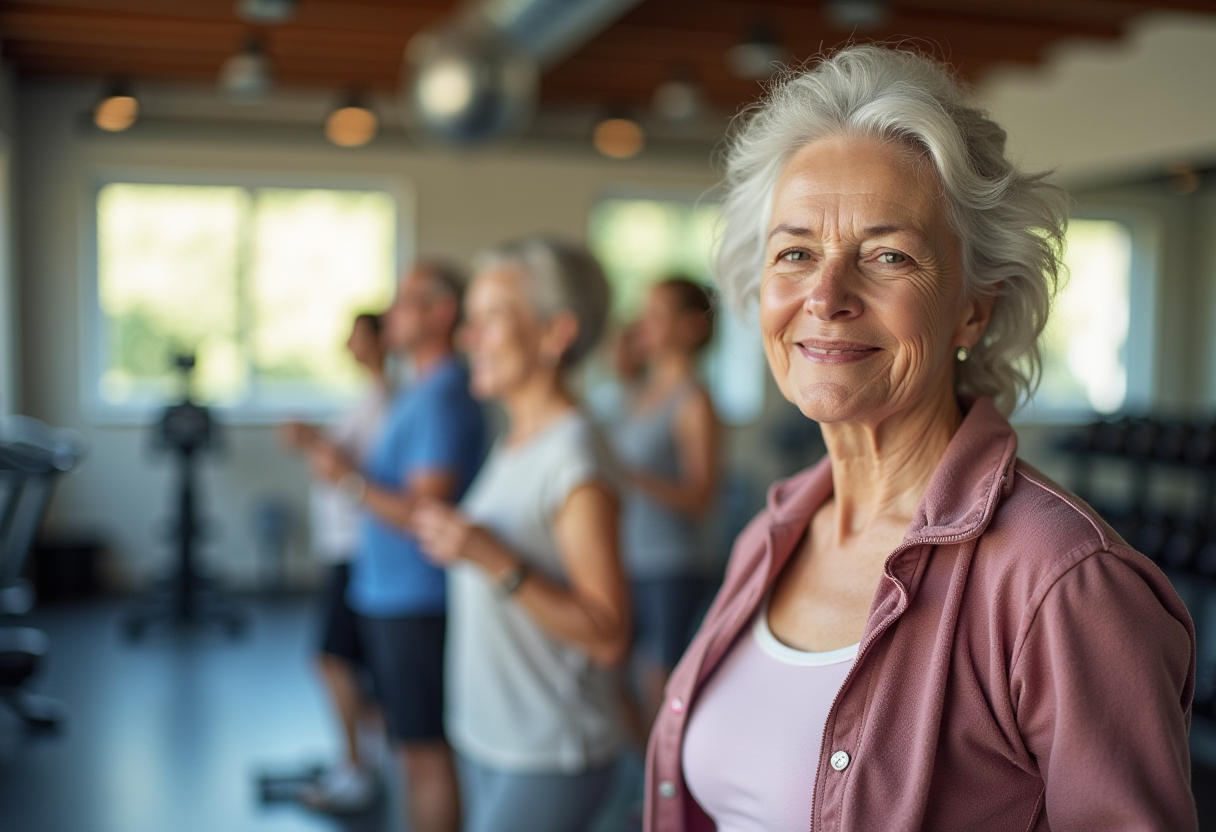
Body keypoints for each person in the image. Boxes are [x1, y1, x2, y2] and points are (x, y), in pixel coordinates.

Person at [645, 45, 1197, 832]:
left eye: (888, 256)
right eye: (795, 252)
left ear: (974, 307)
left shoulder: (1062, 584)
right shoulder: (772, 533)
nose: (827, 296)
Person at [412, 236, 630, 832]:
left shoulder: (574, 458)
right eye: (469, 321)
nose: (467, 338)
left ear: (554, 334)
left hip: (550, 749)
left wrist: (493, 560)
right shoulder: (516, 440)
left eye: (489, 321)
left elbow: (609, 635)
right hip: (495, 737)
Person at [309, 263, 485, 832]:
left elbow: (424, 512)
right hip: (390, 593)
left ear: (441, 313)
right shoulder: (417, 390)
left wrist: (347, 479)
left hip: (417, 598)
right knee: (410, 751)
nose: (393, 313)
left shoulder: (439, 397)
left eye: (407, 301)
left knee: (425, 754)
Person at [279, 311, 391, 810]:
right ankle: (361, 757)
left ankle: (357, 770)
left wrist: (311, 441)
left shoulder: (389, 399)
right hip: (344, 545)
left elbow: (357, 472)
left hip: (357, 546)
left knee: (332, 658)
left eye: (357, 335)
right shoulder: (369, 398)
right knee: (343, 659)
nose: (348, 344)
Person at [614, 278, 720, 738]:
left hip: (672, 564)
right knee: (618, 675)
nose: (646, 325)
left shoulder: (694, 401)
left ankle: (664, 795)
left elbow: (701, 497)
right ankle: (648, 780)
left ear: (691, 327)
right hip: (629, 558)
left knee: (660, 681)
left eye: (659, 315)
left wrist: (628, 476)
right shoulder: (638, 394)